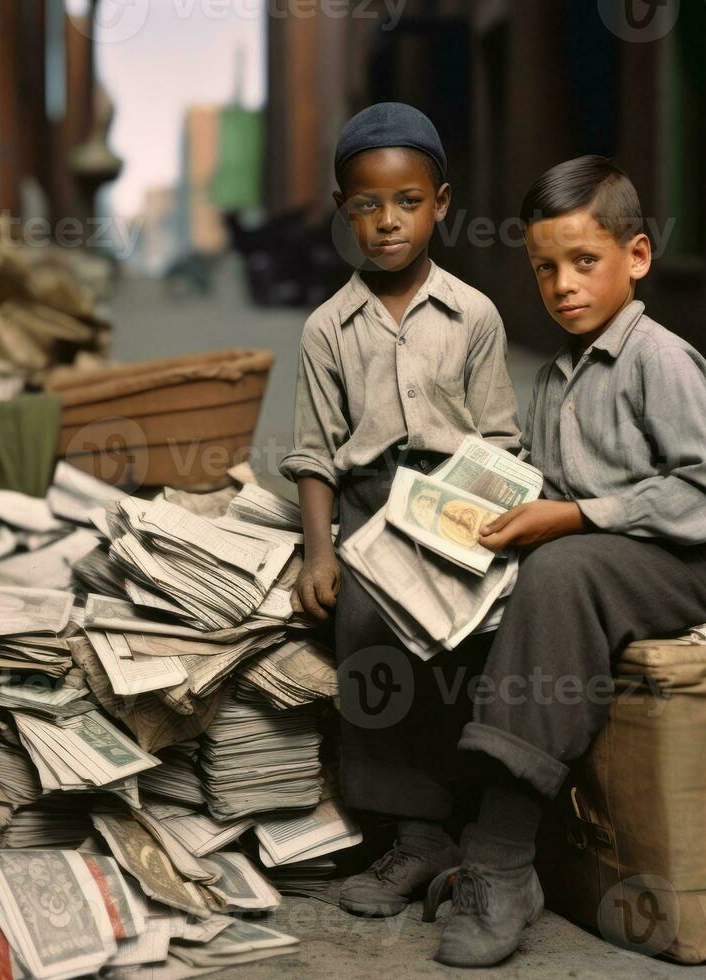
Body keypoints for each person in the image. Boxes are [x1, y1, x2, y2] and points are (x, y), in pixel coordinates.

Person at [418, 155, 706, 967]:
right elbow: (548, 487)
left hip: (671, 567)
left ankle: (500, 859)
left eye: (584, 262)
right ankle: (444, 824)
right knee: (469, 589)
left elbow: (704, 496)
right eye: (545, 268)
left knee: (559, 573)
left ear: (635, 258)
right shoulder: (556, 375)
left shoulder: (657, 359)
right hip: (593, 565)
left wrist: (575, 516)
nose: (563, 285)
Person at [278, 103, 522, 919]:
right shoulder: (327, 328)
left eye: (408, 202)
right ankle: (412, 838)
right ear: (344, 209)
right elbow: (315, 452)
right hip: (369, 508)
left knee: (476, 652)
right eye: (367, 205)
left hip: (460, 507)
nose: (388, 222)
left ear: (441, 203)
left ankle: (480, 829)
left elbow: (498, 440)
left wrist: (485, 529)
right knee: (369, 653)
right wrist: (320, 554)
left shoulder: (474, 316)